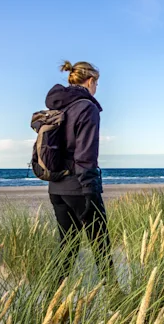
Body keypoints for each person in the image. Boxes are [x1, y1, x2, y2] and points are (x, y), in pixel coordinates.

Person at [45, 60, 114, 283]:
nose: (96, 89)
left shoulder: (59, 105)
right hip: (79, 186)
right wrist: (91, 190)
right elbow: (86, 154)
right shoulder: (87, 107)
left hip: (56, 186)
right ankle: (114, 298)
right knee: (101, 245)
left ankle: (50, 302)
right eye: (97, 83)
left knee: (67, 246)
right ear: (91, 80)